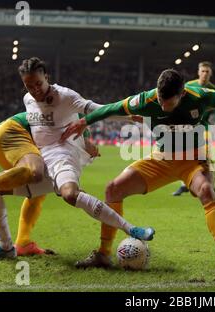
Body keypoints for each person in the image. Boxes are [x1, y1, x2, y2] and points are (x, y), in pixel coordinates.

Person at [61, 69, 215, 276]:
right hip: (161, 160)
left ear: (182, 94)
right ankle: (103, 254)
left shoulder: (201, 96)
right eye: (160, 100)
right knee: (113, 188)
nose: (163, 105)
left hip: (193, 161)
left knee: (206, 190)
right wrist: (84, 122)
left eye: (169, 102)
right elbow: (112, 108)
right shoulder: (146, 99)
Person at [19, 57, 155, 247]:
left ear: (47, 77)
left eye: (38, 84)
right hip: (38, 158)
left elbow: (97, 110)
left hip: (62, 154)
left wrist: (131, 118)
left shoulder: (65, 96)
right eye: (29, 86)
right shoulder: (27, 99)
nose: (35, 90)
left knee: (70, 194)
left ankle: (130, 228)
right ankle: (5, 245)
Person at [0, 111, 98, 259]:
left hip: (3, 136)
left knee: (35, 189)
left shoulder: (63, 110)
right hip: (13, 132)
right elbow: (83, 147)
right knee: (34, 172)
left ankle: (16, 244)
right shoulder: (78, 120)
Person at [172, 61, 215, 196]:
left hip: (204, 126)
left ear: (210, 74)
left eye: (207, 71)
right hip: (188, 126)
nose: (205, 74)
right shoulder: (188, 86)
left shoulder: (214, 89)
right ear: (198, 72)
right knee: (184, 156)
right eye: (203, 71)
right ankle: (184, 185)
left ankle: (211, 185)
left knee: (207, 157)